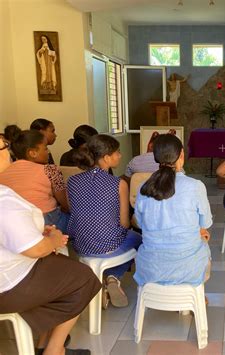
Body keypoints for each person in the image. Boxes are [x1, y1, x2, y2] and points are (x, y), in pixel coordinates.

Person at [0, 135, 100, 355]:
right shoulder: (46, 171)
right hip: (10, 282)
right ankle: (54, 349)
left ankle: (44, 341)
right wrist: (53, 239)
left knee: (60, 264)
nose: (7, 148)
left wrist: (36, 232)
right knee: (84, 279)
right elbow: (64, 207)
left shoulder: (6, 181)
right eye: (2, 145)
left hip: (14, 261)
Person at [67, 134, 141, 308]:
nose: (120, 156)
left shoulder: (72, 181)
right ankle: (113, 276)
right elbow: (124, 223)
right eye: (117, 152)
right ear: (106, 158)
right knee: (139, 240)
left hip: (81, 245)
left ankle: (104, 281)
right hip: (108, 244)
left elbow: (76, 212)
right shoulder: (118, 183)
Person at [134, 134, 212, 287]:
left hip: (150, 269)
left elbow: (141, 224)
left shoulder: (143, 187)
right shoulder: (195, 186)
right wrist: (199, 231)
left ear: (155, 157)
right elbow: (205, 223)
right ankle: (195, 295)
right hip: (189, 271)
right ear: (181, 154)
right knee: (204, 237)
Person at [0, 130, 70, 233]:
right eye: (45, 148)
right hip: (46, 218)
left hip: (15, 221)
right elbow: (63, 201)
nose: (48, 152)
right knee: (76, 219)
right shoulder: (50, 170)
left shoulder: (4, 170)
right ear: (32, 153)